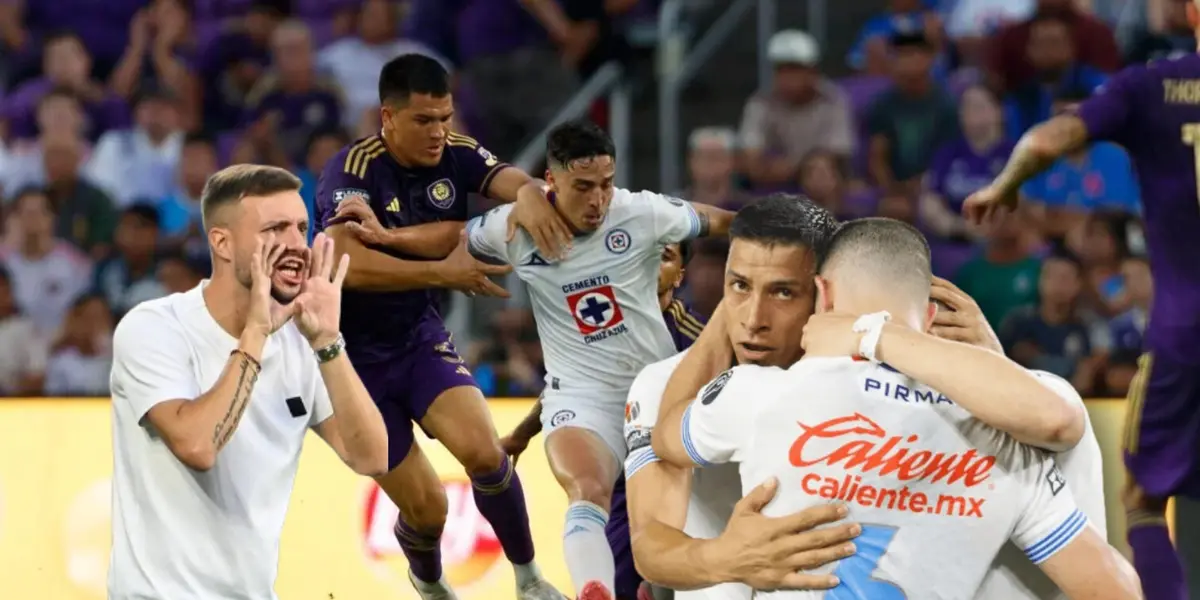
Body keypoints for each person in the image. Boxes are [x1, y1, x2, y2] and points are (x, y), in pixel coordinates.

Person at [650, 217, 1141, 599]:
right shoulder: (1005, 438)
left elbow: (665, 433)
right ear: (931, 317)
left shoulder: (758, 394)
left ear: (821, 295)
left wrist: (726, 312)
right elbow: (1114, 590)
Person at [963, 5, 1200, 595]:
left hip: (1184, 336)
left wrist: (1006, 184)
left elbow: (1053, 137)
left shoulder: (1151, 86)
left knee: (1144, 498)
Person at [315, 54, 571, 600]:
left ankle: (530, 581)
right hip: (352, 365)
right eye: (424, 121)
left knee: (486, 454)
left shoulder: (455, 151)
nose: (439, 133)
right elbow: (345, 262)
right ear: (388, 117)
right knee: (428, 511)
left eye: (446, 117)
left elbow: (511, 181)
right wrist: (440, 268)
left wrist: (528, 194)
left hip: (417, 336)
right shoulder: (352, 169)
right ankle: (428, 582)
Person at [463, 119, 734, 600]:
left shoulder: (642, 215)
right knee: (586, 493)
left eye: (606, 185)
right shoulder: (514, 226)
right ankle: (594, 592)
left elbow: (727, 222)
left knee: (673, 563)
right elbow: (452, 238)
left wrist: (804, 234)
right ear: (552, 181)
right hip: (582, 401)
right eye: (583, 187)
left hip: (658, 404)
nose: (598, 200)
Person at [107, 164, 390, 599]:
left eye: (300, 227)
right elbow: (198, 446)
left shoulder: (305, 340)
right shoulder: (154, 328)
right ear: (222, 243)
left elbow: (372, 457)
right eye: (275, 229)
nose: (297, 245)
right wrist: (255, 333)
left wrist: (329, 342)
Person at [499, 239, 707, 600]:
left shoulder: (696, 342)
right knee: (616, 583)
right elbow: (571, 386)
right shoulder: (606, 321)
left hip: (674, 482)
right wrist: (521, 433)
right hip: (619, 478)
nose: (652, 263)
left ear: (679, 276)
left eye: (666, 257)